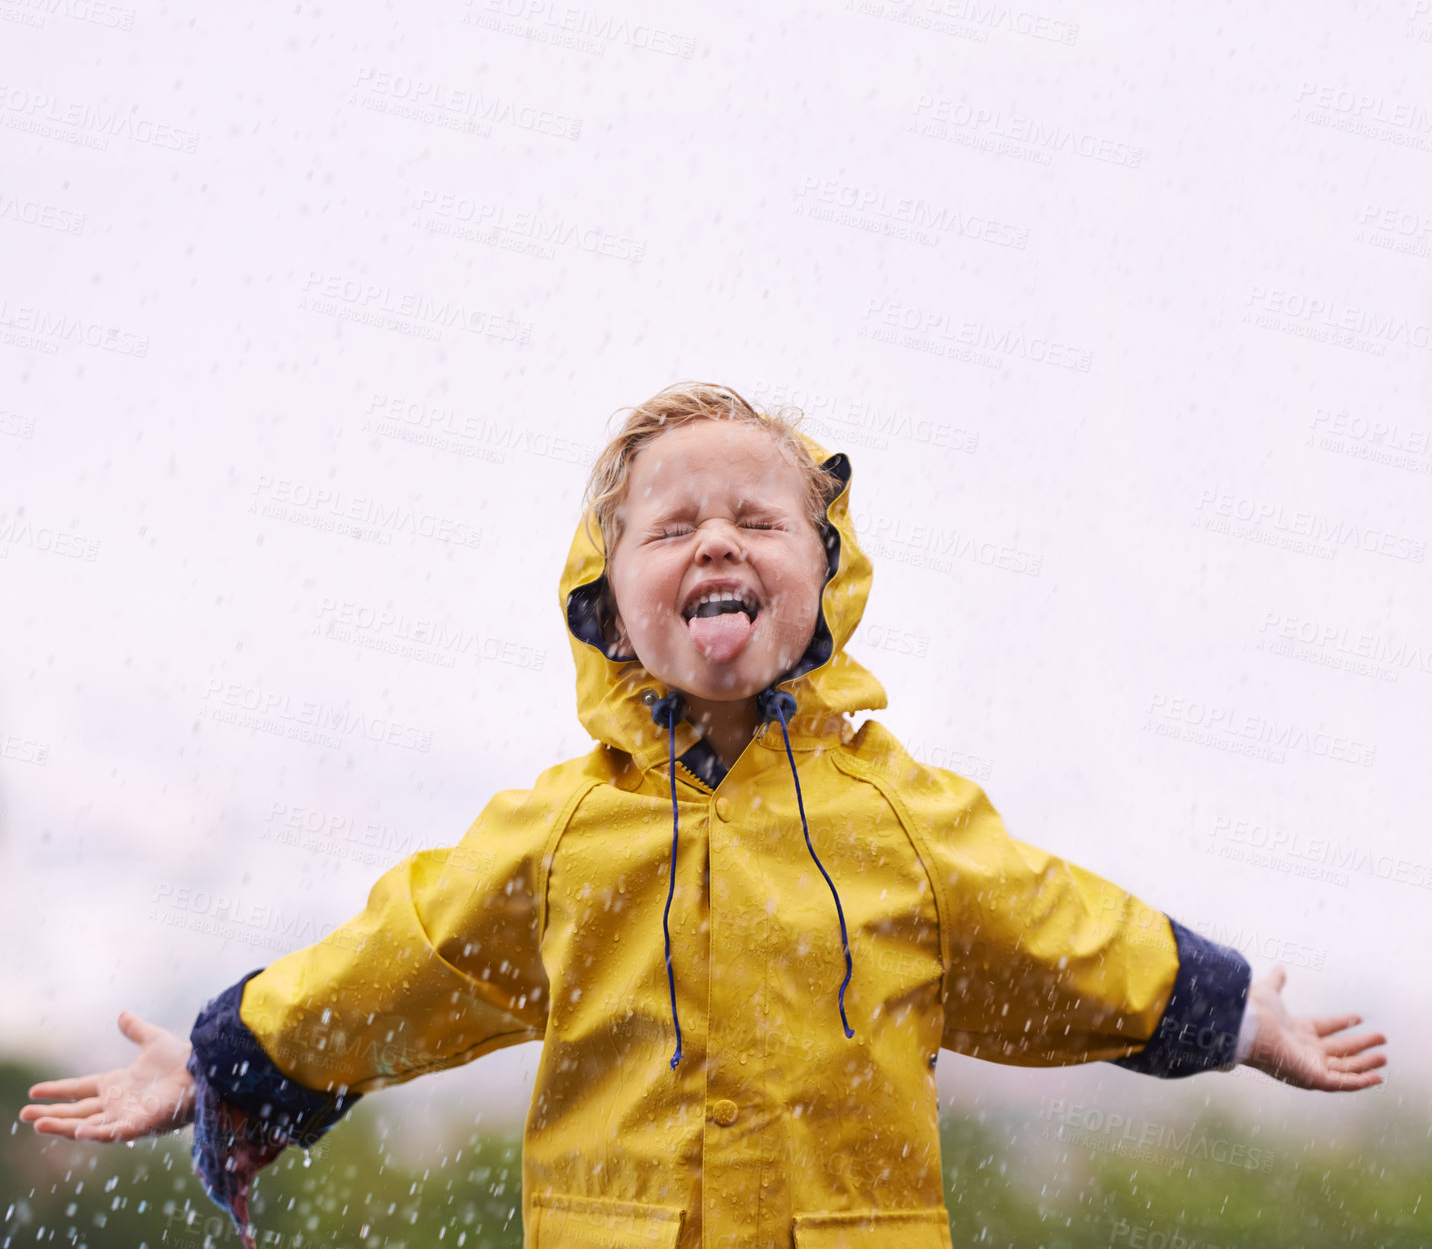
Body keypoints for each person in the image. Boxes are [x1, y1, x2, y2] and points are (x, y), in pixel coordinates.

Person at [22, 383, 1387, 1249]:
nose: (718, 540)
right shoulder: (558, 838)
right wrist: (224, 1060)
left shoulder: (901, 817)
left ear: (824, 579)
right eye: (673, 526)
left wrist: (1236, 1015)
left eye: (758, 519)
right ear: (610, 599)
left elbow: (1057, 927)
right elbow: (401, 957)